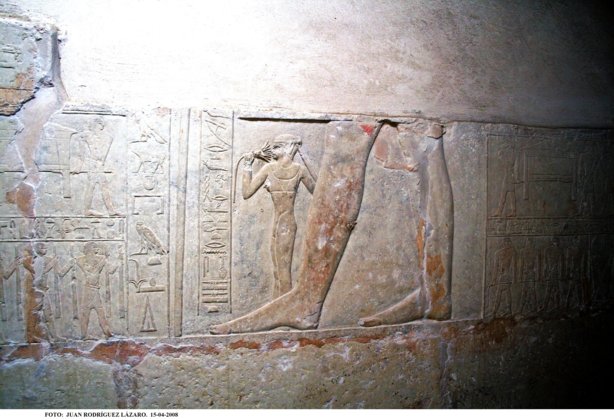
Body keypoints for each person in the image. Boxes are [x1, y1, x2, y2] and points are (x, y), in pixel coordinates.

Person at [242, 134, 316, 297]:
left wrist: (308, 161)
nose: (273, 150)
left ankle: (286, 305)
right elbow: (247, 193)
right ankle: (277, 305)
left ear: (288, 147)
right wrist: (247, 165)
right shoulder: (270, 168)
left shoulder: (298, 170)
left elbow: (318, 193)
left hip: (286, 224)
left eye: (277, 146)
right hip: (279, 223)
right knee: (277, 270)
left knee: (283, 272)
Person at [71, 118, 121, 216]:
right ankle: (93, 210)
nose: (100, 128)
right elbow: (82, 153)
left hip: (98, 165)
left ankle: (106, 210)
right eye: (99, 125)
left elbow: (102, 155)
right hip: (93, 165)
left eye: (101, 126)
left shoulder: (106, 137)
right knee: (96, 187)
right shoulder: (87, 136)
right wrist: (78, 167)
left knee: (98, 187)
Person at [76, 242, 113, 339]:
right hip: (89, 290)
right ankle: (86, 334)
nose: (97, 249)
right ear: (89, 249)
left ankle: (106, 331)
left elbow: (110, 268)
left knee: (98, 311)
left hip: (94, 289)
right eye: (95, 247)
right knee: (88, 312)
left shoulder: (100, 259)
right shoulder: (81, 260)